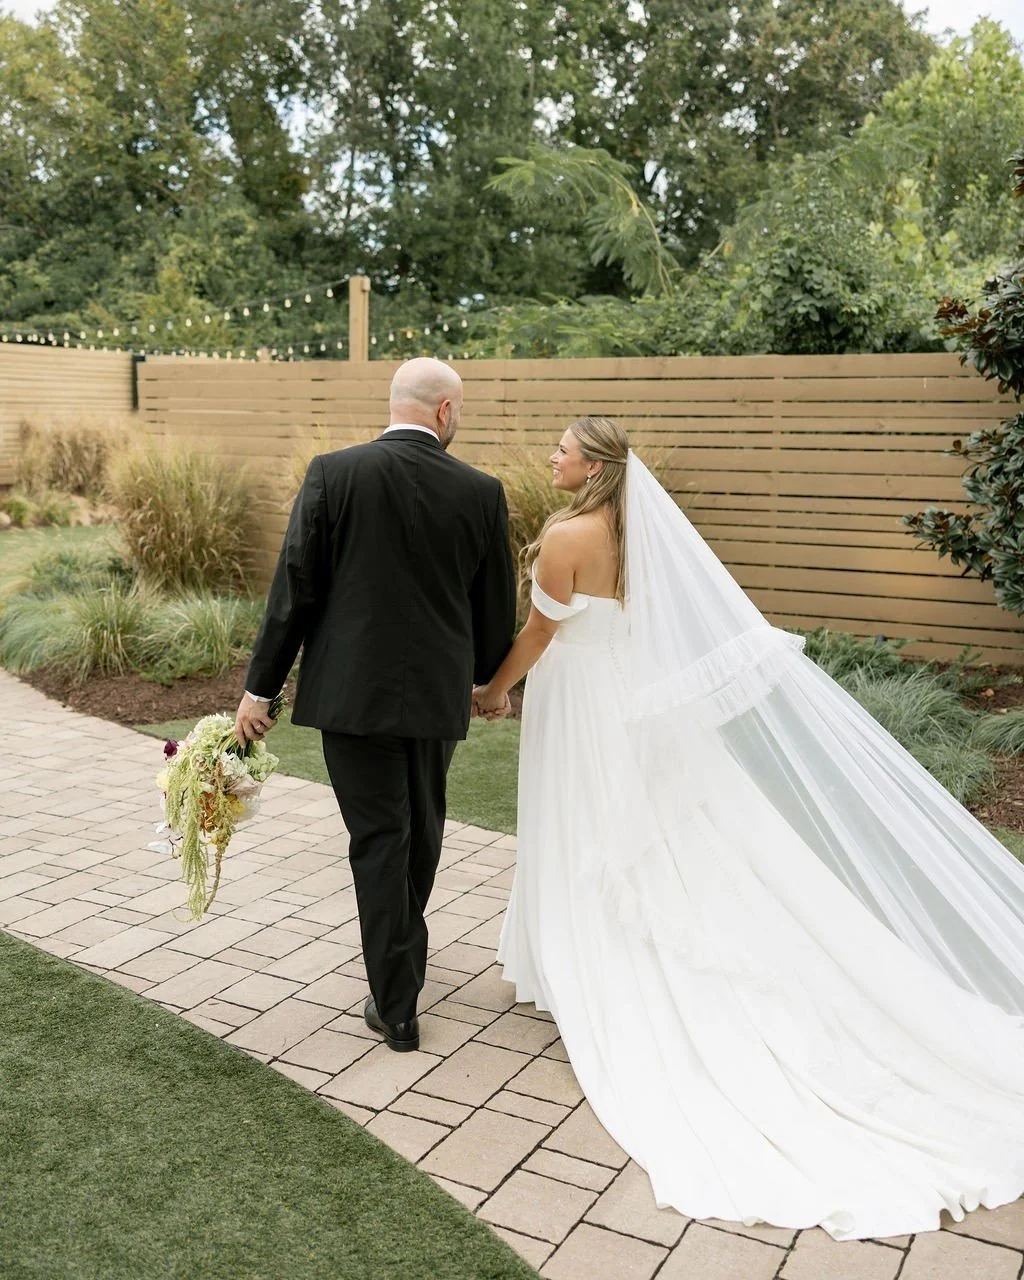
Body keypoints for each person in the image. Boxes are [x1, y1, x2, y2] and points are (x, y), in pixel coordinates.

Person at [471, 415, 1024, 1242]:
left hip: (586, 702)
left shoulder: (568, 536)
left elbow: (542, 633)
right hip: (638, 703)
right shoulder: (641, 531)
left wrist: (492, 690)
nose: (551, 456)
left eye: (562, 447)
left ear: (593, 464)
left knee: (592, 823)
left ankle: (599, 955)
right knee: (664, 830)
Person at [236, 357, 517, 1053]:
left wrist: (261, 687)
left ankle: (396, 1003)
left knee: (379, 838)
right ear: (445, 411)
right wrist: (492, 683)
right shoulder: (481, 491)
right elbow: (493, 603)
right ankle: (400, 981)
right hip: (434, 696)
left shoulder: (334, 473)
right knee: (419, 829)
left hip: (350, 696)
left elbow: (294, 587)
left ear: (396, 404)